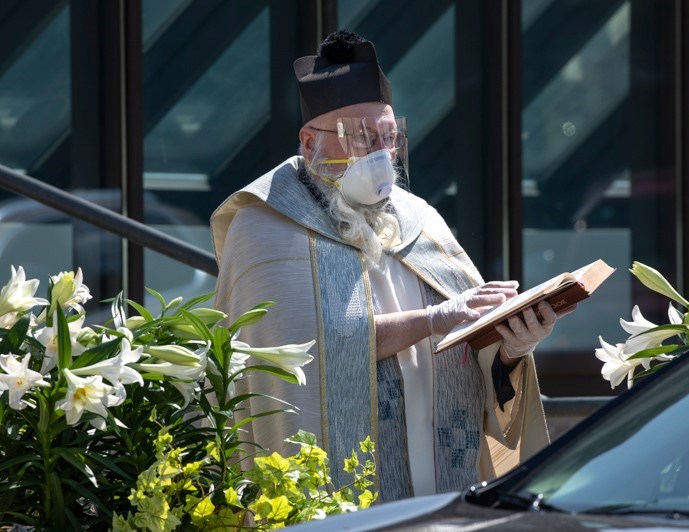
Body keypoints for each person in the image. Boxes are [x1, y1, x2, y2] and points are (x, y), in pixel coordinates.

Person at [211, 30, 563, 502]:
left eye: (389, 137)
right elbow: (301, 355)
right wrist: (434, 319)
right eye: (360, 136)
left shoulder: (420, 218)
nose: (379, 153)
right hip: (340, 497)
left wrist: (511, 349)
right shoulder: (266, 225)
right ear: (309, 142)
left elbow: (474, 342)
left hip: (443, 484)